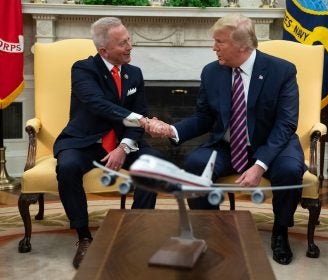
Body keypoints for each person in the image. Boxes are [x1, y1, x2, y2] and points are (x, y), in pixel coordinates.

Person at [145, 14, 307, 265]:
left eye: (219, 41)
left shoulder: (281, 71)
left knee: (289, 169)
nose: (213, 47)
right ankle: (211, 228)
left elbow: (285, 124)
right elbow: (203, 118)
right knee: (195, 164)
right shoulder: (212, 72)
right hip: (227, 145)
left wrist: (259, 165)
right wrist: (172, 130)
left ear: (241, 45)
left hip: (272, 144)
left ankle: (280, 231)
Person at [53, 17, 163, 269]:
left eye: (129, 40)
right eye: (122, 43)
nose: (130, 46)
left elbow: (140, 109)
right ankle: (83, 237)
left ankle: (135, 231)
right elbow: (97, 104)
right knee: (67, 167)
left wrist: (123, 148)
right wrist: (141, 120)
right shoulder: (82, 69)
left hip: (123, 139)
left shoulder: (134, 74)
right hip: (85, 140)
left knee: (155, 166)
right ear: (104, 50)